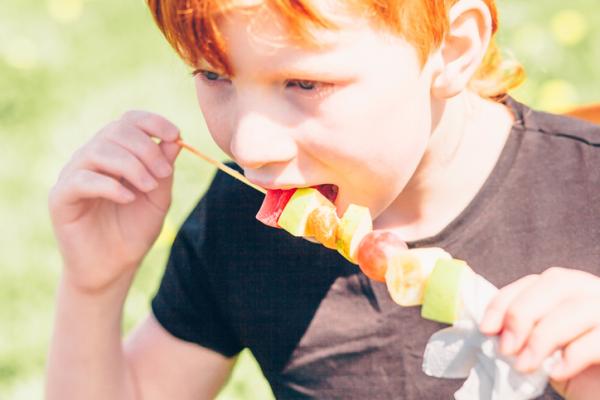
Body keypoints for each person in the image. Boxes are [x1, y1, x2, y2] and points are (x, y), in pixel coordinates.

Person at [45, 0, 600, 399]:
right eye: (214, 75)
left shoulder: (587, 186)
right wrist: (93, 284)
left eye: (305, 85)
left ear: (452, 50)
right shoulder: (240, 224)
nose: (249, 146)